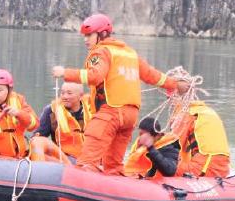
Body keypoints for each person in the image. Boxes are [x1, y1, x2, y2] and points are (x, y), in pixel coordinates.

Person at [51, 13, 189, 174]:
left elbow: (94, 76)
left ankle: (81, 183)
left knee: (87, 161)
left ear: (102, 34)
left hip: (111, 112)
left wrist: (65, 73)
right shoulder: (130, 53)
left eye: (89, 35)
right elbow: (152, 75)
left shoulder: (101, 51)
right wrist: (175, 84)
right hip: (131, 116)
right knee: (113, 165)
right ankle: (113, 180)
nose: (85, 39)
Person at [29, 82, 92, 163]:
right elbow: (37, 136)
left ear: (81, 96)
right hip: (64, 159)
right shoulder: (52, 111)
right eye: (62, 93)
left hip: (91, 158)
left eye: (69, 93)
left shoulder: (92, 108)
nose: (65, 97)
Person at [174, 101, 230, 178]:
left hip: (205, 168)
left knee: (166, 167)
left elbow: (176, 145)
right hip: (224, 168)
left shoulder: (186, 116)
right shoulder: (207, 111)